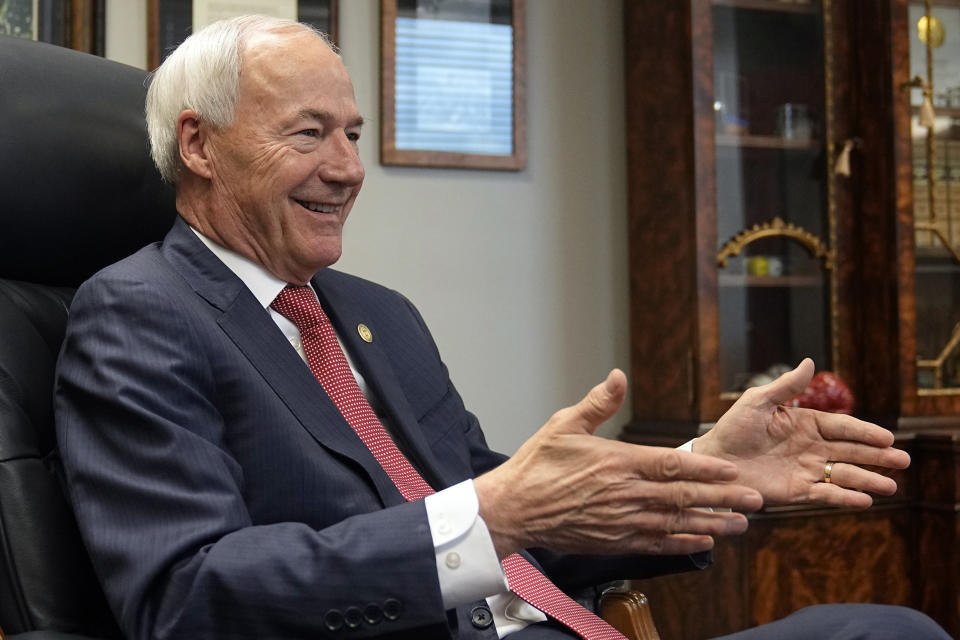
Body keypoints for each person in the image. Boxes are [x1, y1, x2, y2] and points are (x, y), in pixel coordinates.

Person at [53, 15, 948, 640]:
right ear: (200, 146)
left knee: (887, 627)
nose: (348, 169)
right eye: (309, 133)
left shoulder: (377, 317)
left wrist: (694, 476)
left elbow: (518, 517)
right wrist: (489, 514)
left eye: (354, 134)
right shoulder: (140, 314)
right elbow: (188, 597)